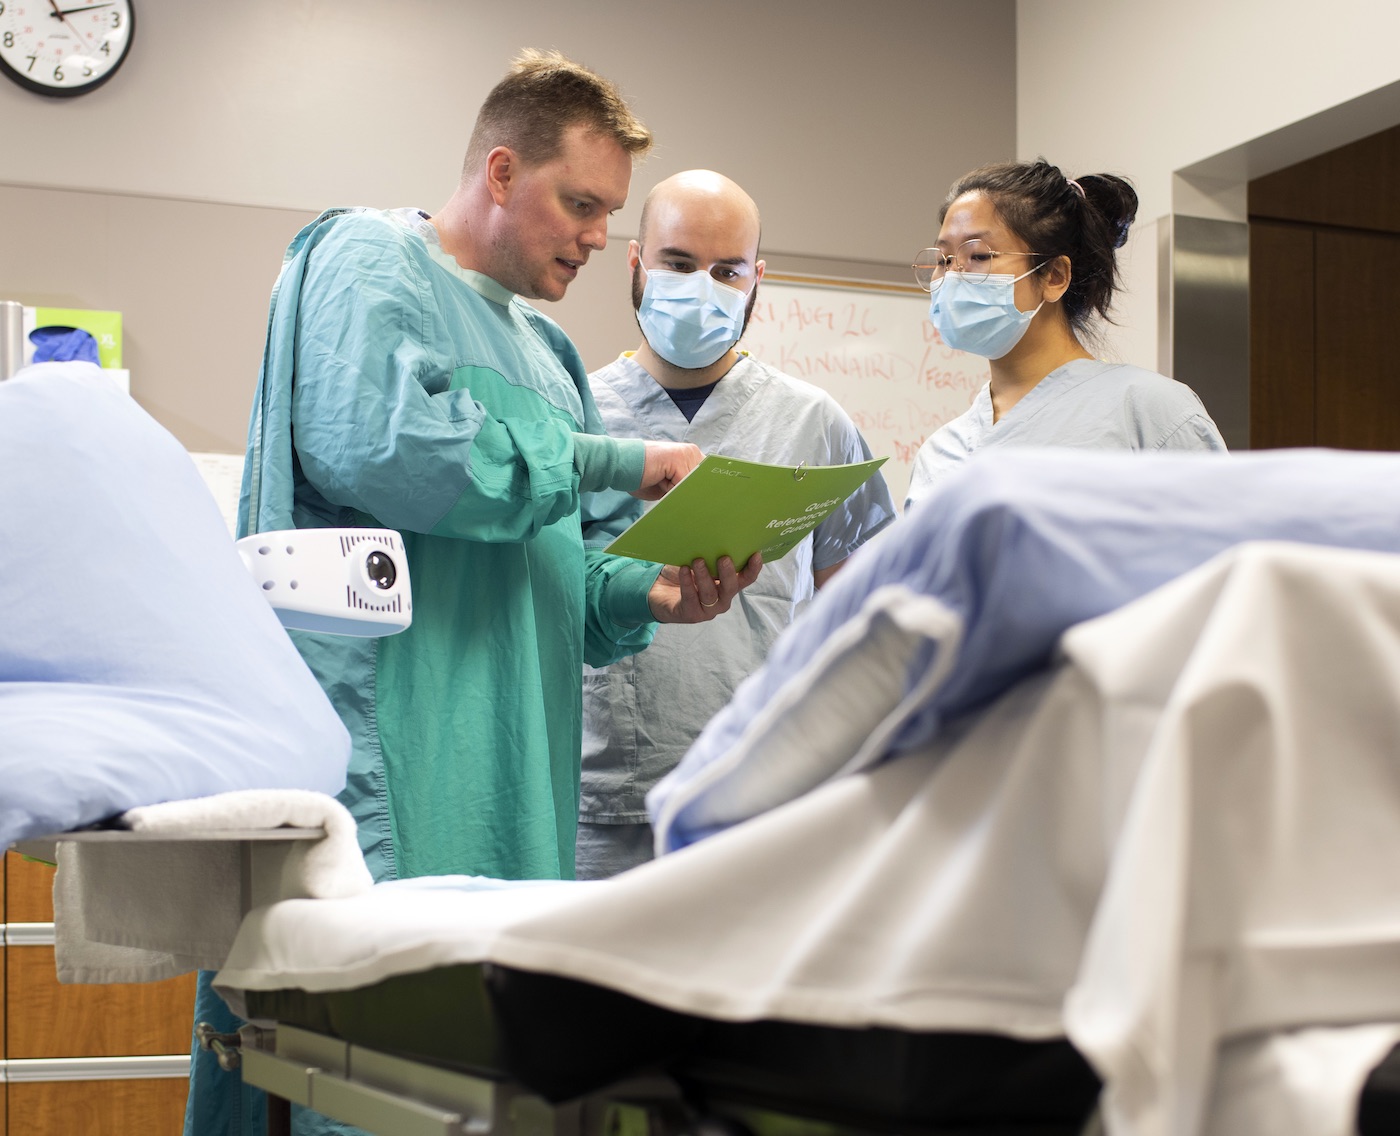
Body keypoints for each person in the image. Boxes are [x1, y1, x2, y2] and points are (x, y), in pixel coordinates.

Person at [187, 51, 760, 1136]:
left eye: (608, 212)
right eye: (580, 204)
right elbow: (395, 451)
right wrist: (615, 461)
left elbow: (556, 577)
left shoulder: (544, 349)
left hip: (514, 764)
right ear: (500, 171)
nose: (598, 238)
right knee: (359, 1059)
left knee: (488, 1074)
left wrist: (653, 591)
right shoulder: (362, 257)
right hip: (394, 740)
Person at [577, 170, 897, 879]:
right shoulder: (575, 418)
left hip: (764, 797)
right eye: (679, 264)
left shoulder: (813, 423)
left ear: (758, 279)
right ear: (635, 262)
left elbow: (861, 622)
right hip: (601, 799)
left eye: (727, 271)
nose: (701, 287)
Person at [904, 159, 1225, 510]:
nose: (953, 276)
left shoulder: (1148, 411)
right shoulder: (940, 452)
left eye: (978, 255)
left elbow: (1224, 550)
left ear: (1054, 275)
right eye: (944, 260)